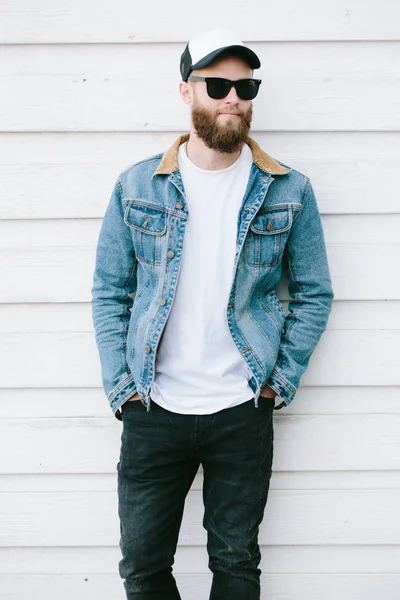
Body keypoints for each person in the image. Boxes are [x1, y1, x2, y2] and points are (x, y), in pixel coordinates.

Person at [91, 27, 334, 600]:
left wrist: (280, 381)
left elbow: (314, 292)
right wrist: (122, 387)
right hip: (153, 407)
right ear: (186, 91)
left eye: (244, 86)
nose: (233, 98)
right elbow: (110, 291)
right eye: (218, 84)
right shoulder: (138, 185)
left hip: (241, 409)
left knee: (235, 565)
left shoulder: (287, 190)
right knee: (144, 569)